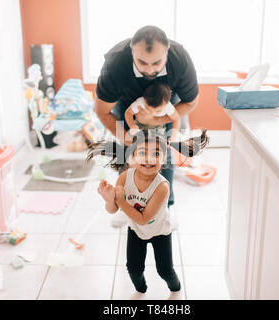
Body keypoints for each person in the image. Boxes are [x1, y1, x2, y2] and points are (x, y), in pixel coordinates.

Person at [94, 25, 199, 227]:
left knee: (163, 156)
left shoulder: (180, 60)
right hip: (127, 105)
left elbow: (191, 102)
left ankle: (164, 208)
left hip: (165, 105)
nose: (150, 69)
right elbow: (102, 111)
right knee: (127, 155)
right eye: (142, 62)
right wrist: (128, 140)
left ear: (167, 53)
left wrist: (159, 120)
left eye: (157, 63)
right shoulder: (115, 65)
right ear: (132, 51)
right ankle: (124, 204)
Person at [87, 129, 208, 298]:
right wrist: (109, 199)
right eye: (143, 152)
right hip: (136, 231)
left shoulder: (162, 187)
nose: (149, 158)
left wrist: (120, 200)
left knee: (165, 270)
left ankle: (176, 288)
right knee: (133, 268)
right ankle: (141, 290)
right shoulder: (124, 178)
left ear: (164, 158)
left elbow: (143, 219)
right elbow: (113, 210)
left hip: (160, 232)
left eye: (156, 153)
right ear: (132, 156)